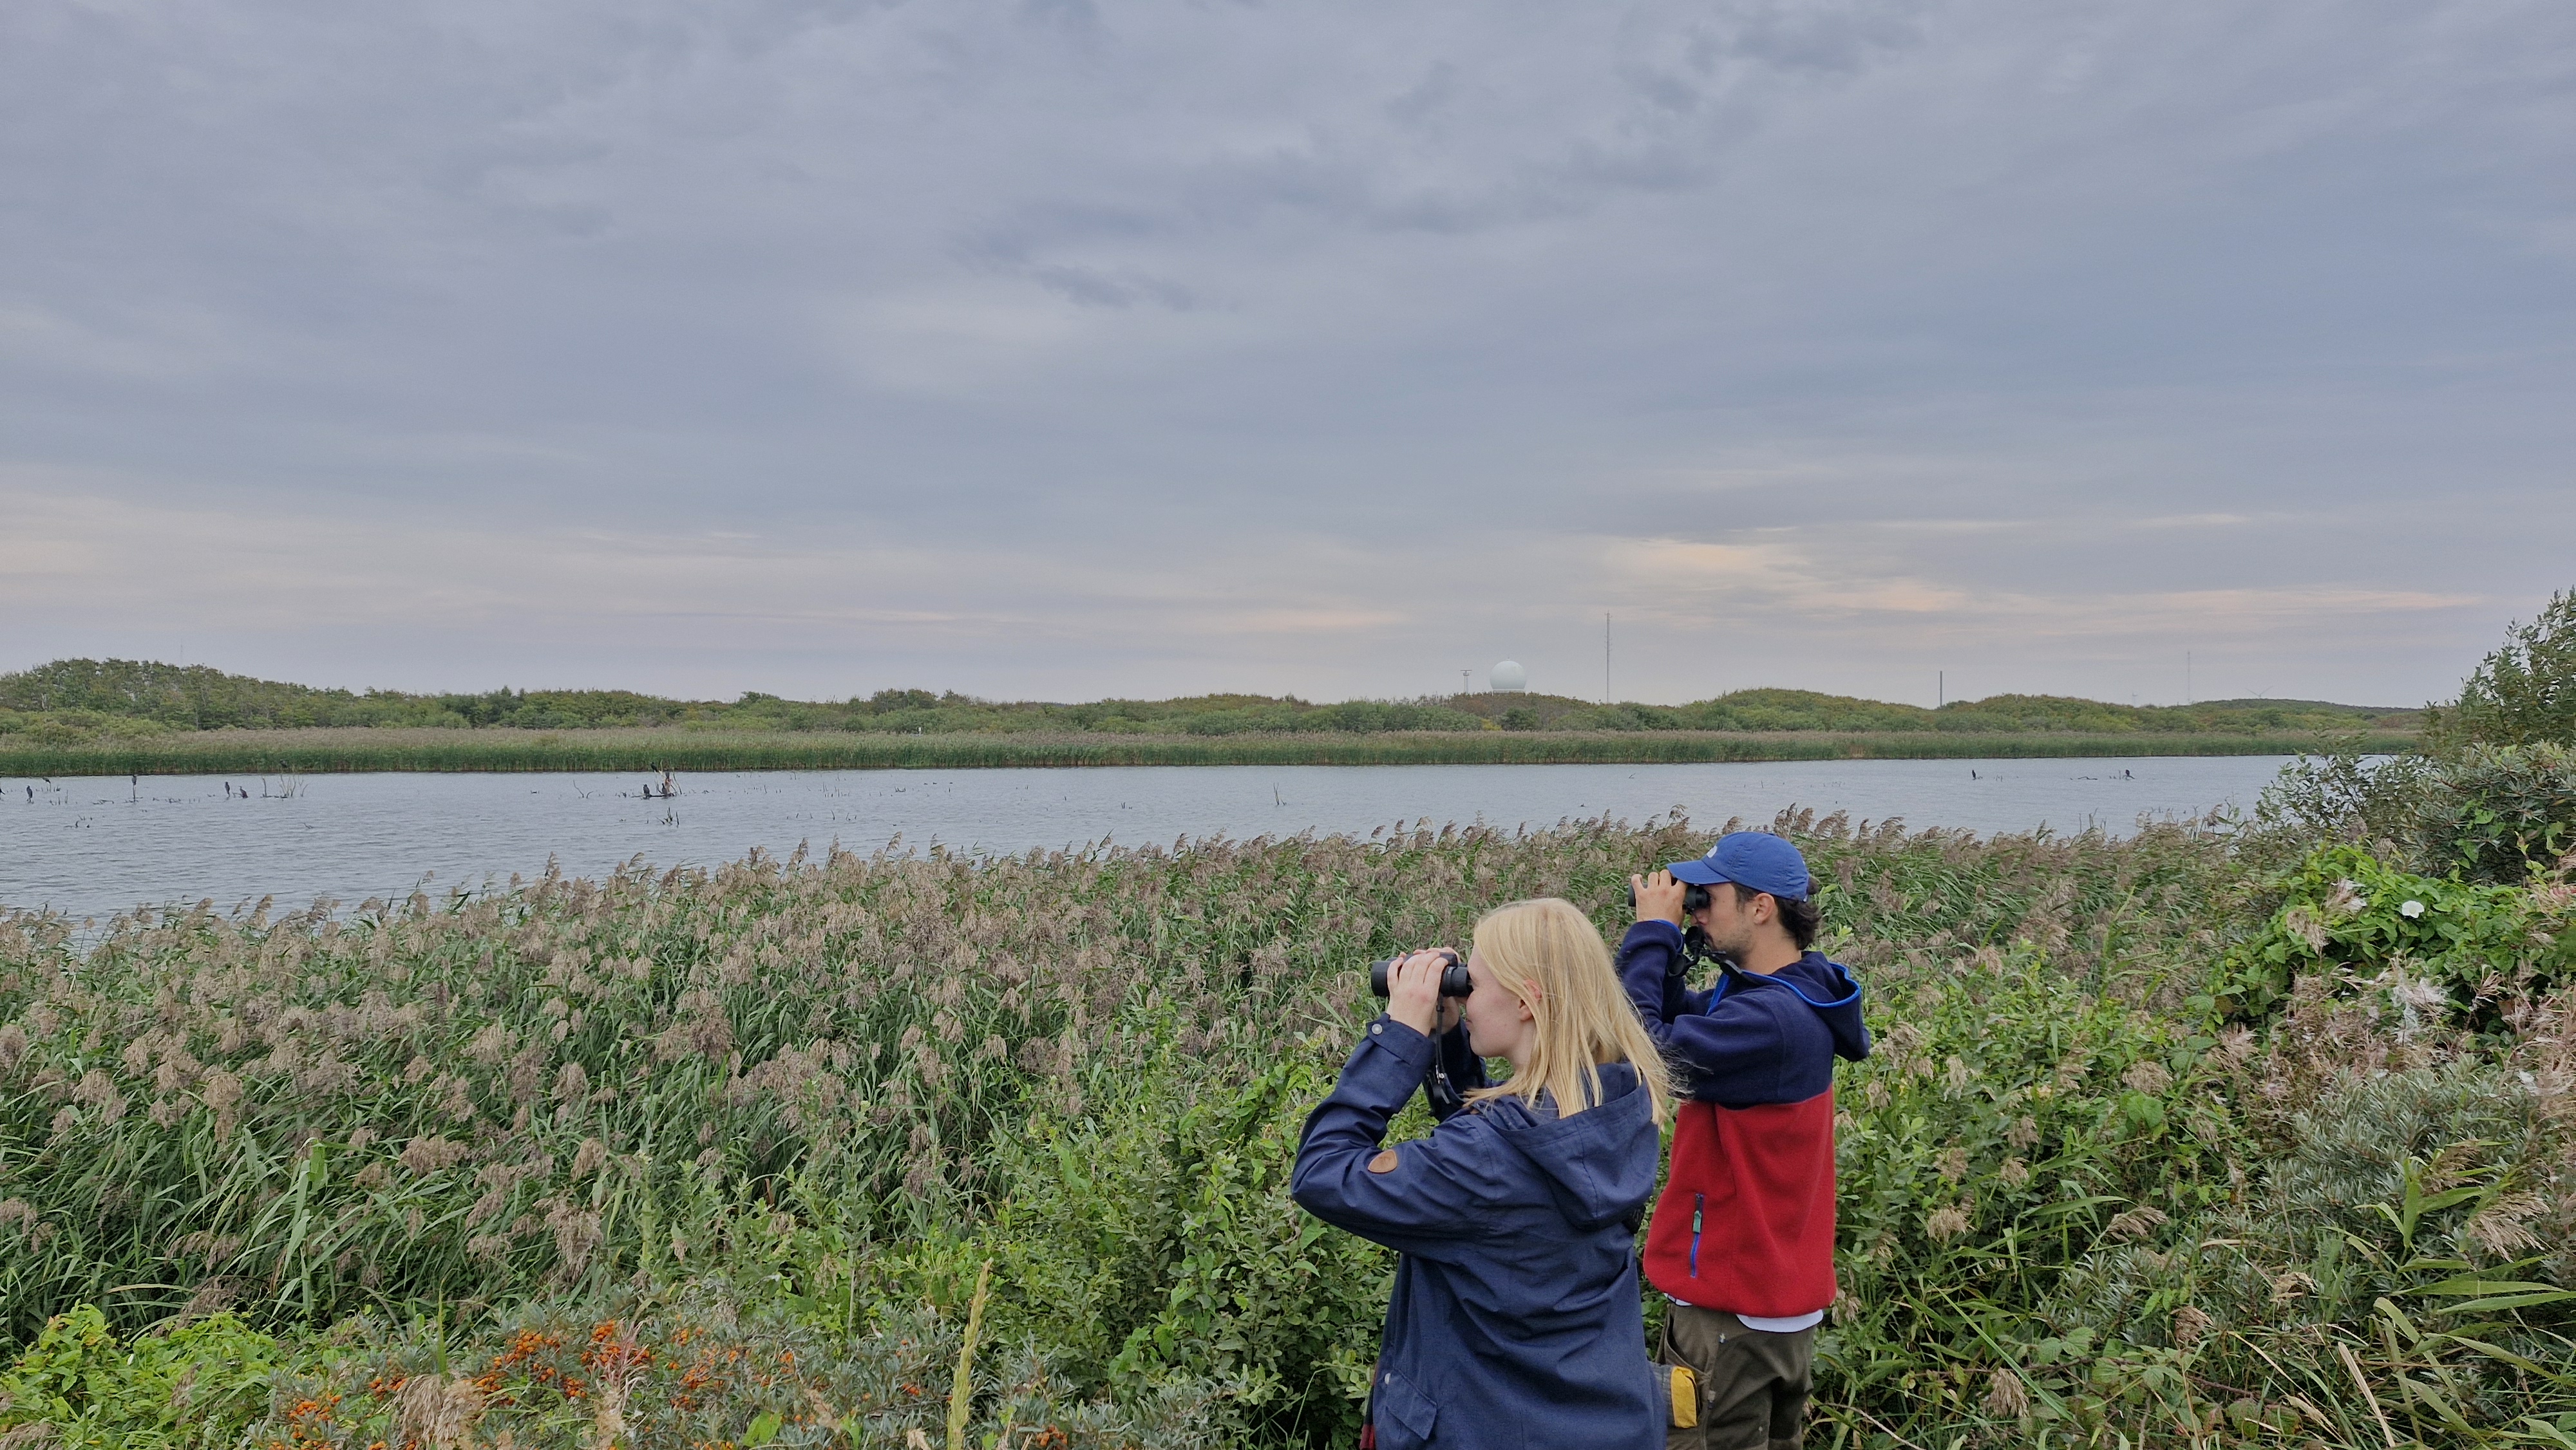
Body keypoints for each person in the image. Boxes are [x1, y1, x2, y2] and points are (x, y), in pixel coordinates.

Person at [1291, 898, 1672, 1449]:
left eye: (1475, 980)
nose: (1464, 995)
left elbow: (1322, 1172)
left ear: (1525, 1000)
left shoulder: (1487, 1161)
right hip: (1596, 1420)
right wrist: (1448, 1039)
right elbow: (1496, 1162)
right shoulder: (1618, 1102)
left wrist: (1401, 1037)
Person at [1625, 833, 1870, 1450]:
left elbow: (1643, 1048)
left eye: (1709, 899)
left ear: (1761, 908)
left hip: (1732, 1311)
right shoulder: (1787, 995)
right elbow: (1682, 1016)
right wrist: (1680, 944)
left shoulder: (1772, 1023)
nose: (1698, 909)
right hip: (1766, 1303)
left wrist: (1653, 935)